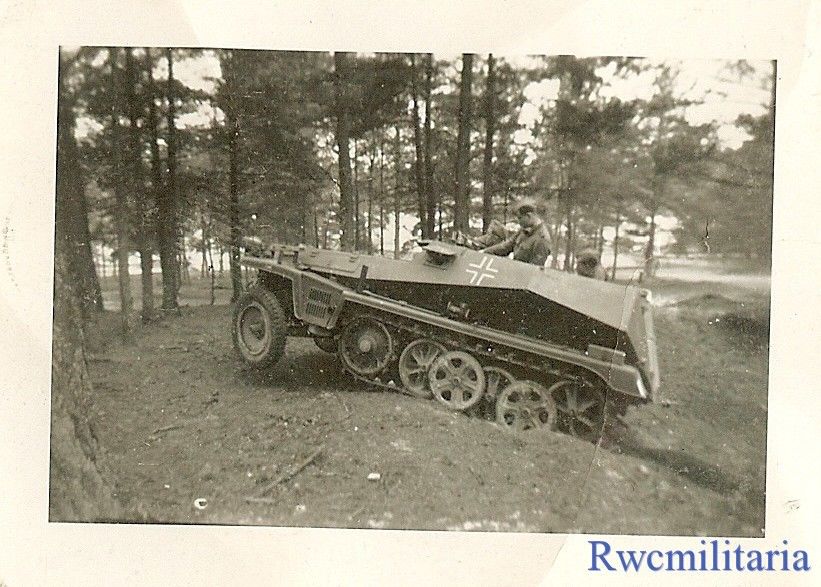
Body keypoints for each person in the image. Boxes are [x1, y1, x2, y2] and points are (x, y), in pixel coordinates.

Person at [481, 203, 551, 266]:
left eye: (520, 218)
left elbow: (535, 269)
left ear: (528, 216)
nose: (518, 221)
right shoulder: (524, 229)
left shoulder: (542, 239)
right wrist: (484, 252)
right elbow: (506, 246)